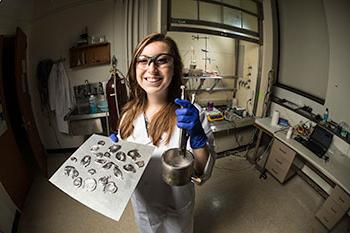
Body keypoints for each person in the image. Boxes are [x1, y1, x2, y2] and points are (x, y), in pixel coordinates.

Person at [110, 33, 215, 233]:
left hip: (178, 207)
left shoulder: (190, 114)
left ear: (174, 68)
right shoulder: (127, 116)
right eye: (143, 60)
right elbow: (126, 168)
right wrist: (112, 154)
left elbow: (202, 172)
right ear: (135, 68)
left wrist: (198, 138)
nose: (151, 68)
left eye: (162, 60)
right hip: (143, 206)